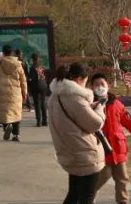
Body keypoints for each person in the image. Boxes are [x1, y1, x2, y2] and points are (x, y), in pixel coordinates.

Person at [48, 62, 105, 204]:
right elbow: (96, 124)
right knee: (86, 198)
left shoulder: (55, 96)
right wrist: (100, 109)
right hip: (85, 155)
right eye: (85, 82)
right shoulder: (75, 98)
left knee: (74, 195)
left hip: (70, 151)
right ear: (79, 79)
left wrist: (88, 108)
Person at [90, 73, 131, 204]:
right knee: (99, 179)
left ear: (108, 86)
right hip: (101, 151)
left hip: (118, 149)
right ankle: (87, 198)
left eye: (102, 84)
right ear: (91, 87)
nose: (99, 87)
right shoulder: (90, 105)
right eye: (96, 85)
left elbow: (130, 122)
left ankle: (123, 201)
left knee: (122, 179)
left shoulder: (117, 104)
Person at [27, 52, 49, 126]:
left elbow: (31, 78)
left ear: (32, 59)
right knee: (43, 103)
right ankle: (45, 121)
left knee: (37, 104)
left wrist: (29, 83)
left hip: (36, 86)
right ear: (38, 58)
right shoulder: (41, 66)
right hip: (43, 86)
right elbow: (44, 76)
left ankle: (39, 121)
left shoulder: (32, 67)